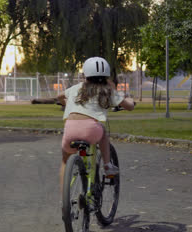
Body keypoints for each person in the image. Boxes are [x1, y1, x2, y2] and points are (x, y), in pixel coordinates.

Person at [57, 57, 135, 191]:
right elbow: (129, 106)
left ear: (85, 75)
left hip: (70, 130)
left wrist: (66, 102)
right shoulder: (107, 91)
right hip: (91, 131)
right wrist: (130, 99)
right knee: (103, 132)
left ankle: (65, 201)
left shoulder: (76, 88)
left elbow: (59, 96)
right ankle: (107, 165)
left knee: (65, 160)